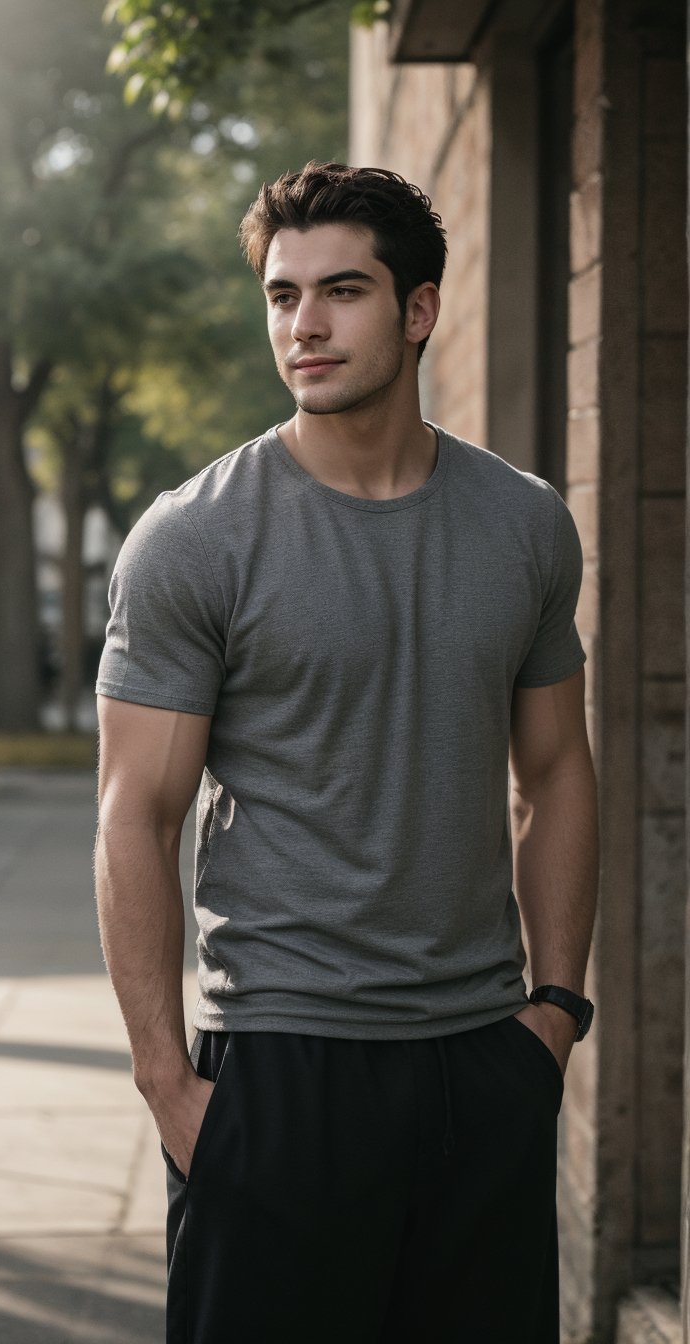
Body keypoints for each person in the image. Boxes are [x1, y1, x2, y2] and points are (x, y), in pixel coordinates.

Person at [93, 162, 598, 1343]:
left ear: (418, 311)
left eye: (342, 291)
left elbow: (558, 772)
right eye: (280, 296)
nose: (303, 325)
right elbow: (133, 814)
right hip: (280, 1067)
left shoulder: (524, 524)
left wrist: (556, 1015)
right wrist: (169, 1084)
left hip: (481, 1064)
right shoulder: (196, 538)